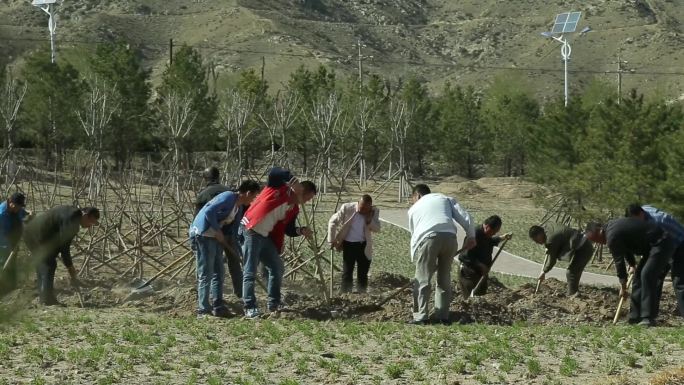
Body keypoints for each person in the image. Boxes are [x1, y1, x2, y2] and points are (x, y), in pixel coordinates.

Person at [240, 167, 316, 319]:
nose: (307, 201)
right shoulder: (279, 188)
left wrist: (301, 231)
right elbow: (274, 172)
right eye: (308, 197)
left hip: (265, 236)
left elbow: (288, 229)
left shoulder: (293, 209)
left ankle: (274, 303)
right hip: (251, 230)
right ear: (301, 190)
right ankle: (249, 306)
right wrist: (292, 180)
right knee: (250, 270)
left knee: (277, 267)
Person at [189, 180, 261, 318]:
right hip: (204, 235)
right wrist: (217, 230)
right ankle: (203, 309)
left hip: (215, 238)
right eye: (254, 196)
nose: (253, 200)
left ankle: (218, 305)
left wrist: (239, 252)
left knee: (219, 272)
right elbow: (209, 211)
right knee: (206, 272)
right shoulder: (228, 197)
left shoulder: (238, 208)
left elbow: (234, 231)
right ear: (247, 193)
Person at [408, 184, 476, 325]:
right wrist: (471, 236)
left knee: (423, 278)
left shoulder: (414, 208)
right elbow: (465, 216)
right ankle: (442, 316)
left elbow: (414, 234)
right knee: (444, 278)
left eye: (413, 198)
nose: (413, 201)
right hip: (450, 239)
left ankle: (421, 317)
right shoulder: (444, 198)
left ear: (417, 196)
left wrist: (415, 255)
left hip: (428, 239)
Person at [585, 218, 674, 326]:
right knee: (637, 279)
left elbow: (619, 263)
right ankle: (634, 317)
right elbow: (625, 248)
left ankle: (648, 318)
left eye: (597, 239)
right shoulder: (613, 230)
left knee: (647, 276)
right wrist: (632, 264)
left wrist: (623, 287)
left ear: (599, 230)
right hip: (651, 249)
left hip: (662, 242)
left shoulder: (611, 235)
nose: (599, 243)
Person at [23, 206, 100, 305]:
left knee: (44, 263)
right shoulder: (72, 220)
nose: (90, 226)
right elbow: (65, 248)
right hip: (35, 235)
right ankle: (46, 300)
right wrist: (70, 268)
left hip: (33, 233)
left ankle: (45, 298)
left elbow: (60, 244)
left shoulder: (72, 214)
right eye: (91, 222)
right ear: (85, 216)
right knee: (49, 264)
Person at [626, 204, 684, 318]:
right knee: (652, 277)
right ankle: (647, 315)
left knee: (679, 281)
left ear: (641, 214)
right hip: (664, 245)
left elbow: (663, 244)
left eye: (635, 220)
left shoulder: (657, 221)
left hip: (680, 244)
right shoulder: (643, 211)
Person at [327, 195, 381, 293]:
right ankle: (345, 294)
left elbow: (377, 229)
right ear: (358, 203)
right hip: (349, 245)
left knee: (363, 273)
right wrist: (332, 240)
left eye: (366, 209)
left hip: (364, 245)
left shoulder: (374, 212)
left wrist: (369, 221)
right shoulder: (347, 208)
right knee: (347, 272)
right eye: (361, 207)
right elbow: (332, 221)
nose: (363, 210)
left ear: (370, 207)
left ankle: (362, 295)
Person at [528, 222, 594, 296]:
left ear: (540, 234)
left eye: (536, 240)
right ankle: (574, 292)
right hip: (581, 244)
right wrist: (548, 247)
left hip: (584, 249)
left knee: (571, 272)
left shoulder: (551, 239)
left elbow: (552, 260)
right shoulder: (547, 226)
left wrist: (544, 272)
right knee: (573, 271)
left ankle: (572, 294)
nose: (537, 243)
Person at [458, 215, 511, 297]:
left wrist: (502, 238)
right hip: (469, 273)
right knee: (470, 298)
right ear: (487, 226)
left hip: (481, 274)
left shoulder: (486, 235)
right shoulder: (474, 234)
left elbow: (490, 242)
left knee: (481, 298)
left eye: (496, 232)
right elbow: (465, 255)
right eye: (493, 231)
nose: (494, 234)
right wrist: (480, 265)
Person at [0, 192, 28, 294]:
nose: (19, 209)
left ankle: (12, 286)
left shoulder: (17, 209)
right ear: (11, 203)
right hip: (2, 243)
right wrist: (10, 246)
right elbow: (2, 234)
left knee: (12, 263)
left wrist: (29, 213)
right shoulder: (2, 214)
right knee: (4, 262)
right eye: (18, 206)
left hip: (13, 240)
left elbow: (23, 213)